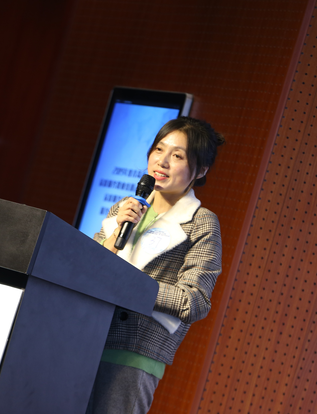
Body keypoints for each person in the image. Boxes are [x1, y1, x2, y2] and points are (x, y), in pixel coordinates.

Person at [85, 117, 225, 414]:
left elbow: (195, 301)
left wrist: (131, 285)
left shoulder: (201, 223)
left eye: (177, 156)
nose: (162, 161)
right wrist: (114, 234)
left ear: (201, 170)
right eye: (159, 149)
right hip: (86, 333)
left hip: (134, 353)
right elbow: (87, 270)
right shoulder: (124, 208)